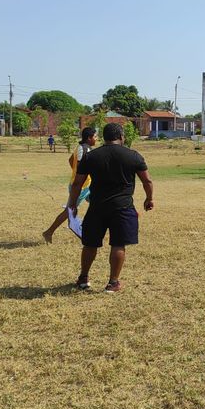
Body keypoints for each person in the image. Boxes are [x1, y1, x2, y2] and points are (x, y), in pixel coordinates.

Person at [68, 123, 153, 293]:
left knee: (90, 244)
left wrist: (72, 203)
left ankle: (83, 278)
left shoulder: (91, 157)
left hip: (97, 207)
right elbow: (147, 181)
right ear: (121, 136)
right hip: (123, 207)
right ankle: (113, 283)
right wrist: (149, 199)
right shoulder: (133, 155)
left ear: (105, 137)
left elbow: (77, 183)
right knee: (118, 244)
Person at [43, 127, 98, 243]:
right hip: (80, 187)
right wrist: (79, 176)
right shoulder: (85, 150)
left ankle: (90, 228)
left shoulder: (81, 147)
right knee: (69, 211)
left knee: (98, 204)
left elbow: (70, 160)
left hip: (87, 185)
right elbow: (80, 165)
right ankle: (49, 232)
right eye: (95, 136)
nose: (96, 139)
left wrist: (77, 172)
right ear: (89, 138)